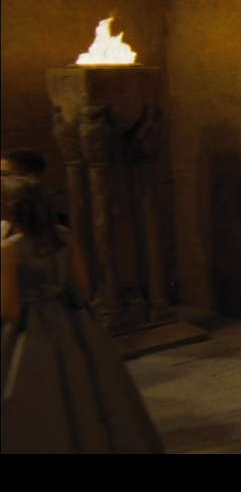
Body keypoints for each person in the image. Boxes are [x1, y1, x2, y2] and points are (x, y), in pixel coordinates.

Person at [1, 176, 164, 453]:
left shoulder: (9, 249)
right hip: (73, 324)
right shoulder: (63, 236)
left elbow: (9, 309)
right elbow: (85, 286)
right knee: (88, 392)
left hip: (30, 334)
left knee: (35, 400)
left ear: (10, 211)